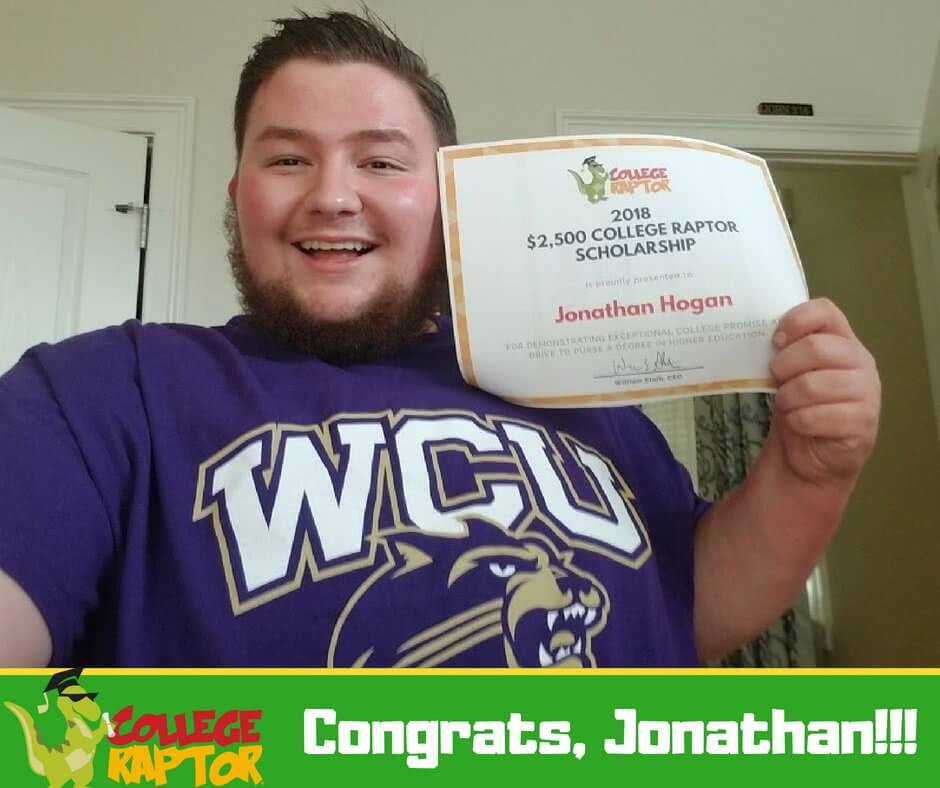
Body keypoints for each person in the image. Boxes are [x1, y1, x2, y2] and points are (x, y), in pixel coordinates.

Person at [0, 10, 880, 668]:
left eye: (380, 161)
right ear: (240, 197)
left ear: (451, 201)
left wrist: (809, 473)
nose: (332, 195)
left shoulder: (573, 389)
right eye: (288, 158)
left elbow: (689, 608)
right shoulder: (103, 391)